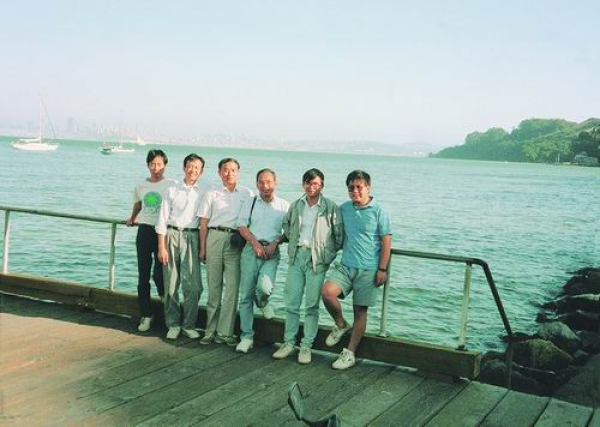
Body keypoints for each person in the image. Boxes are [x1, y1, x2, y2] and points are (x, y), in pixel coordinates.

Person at [321, 170, 392, 370]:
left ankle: (349, 353)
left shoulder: (379, 210)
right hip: (346, 266)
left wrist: (382, 269)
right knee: (327, 293)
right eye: (351, 187)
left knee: (360, 311)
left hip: (369, 269)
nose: (355, 191)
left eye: (359, 187)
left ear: (368, 187)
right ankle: (341, 324)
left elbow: (387, 241)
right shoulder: (344, 208)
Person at [272, 168, 343, 364]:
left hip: (317, 260)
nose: (312, 187)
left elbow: (338, 236)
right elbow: (286, 225)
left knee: (311, 305)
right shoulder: (296, 205)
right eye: (308, 183)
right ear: (303, 184)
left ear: (322, 186)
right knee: (292, 303)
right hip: (297, 257)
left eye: (316, 184)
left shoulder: (330, 207)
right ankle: (288, 343)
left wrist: (327, 256)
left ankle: (306, 346)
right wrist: (293, 243)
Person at [199, 158, 253, 345]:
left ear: (238, 172)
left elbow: (250, 221)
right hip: (214, 237)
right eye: (225, 170)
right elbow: (203, 223)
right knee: (213, 287)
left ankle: (225, 333)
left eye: (233, 170)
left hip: (236, 241)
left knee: (232, 288)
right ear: (219, 172)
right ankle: (210, 331)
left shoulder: (247, 193)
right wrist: (203, 248)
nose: (229, 173)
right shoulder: (211, 192)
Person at [235, 168, 290, 354]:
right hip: (251, 250)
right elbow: (241, 225)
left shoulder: (284, 206)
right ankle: (246, 337)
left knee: (265, 288)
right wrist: (255, 244)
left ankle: (263, 302)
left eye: (269, 182)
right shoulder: (250, 202)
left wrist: (276, 242)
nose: (265, 186)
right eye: (261, 182)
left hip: (271, 253)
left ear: (275, 183)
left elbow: (289, 231)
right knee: (245, 296)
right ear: (257, 184)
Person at [156, 154, 206, 340]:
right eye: (190, 166)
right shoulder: (172, 189)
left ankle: (189, 324)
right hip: (171, 235)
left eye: (197, 167)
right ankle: (173, 323)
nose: (193, 170)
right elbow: (162, 219)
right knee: (171, 283)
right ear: (184, 167)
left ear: (201, 171)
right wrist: (161, 247)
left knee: (194, 286)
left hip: (192, 236)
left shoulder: (206, 189)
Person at [126, 149, 175, 332]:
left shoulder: (171, 185)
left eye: (159, 164)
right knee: (143, 276)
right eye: (152, 164)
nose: (156, 168)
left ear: (165, 165)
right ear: (148, 165)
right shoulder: (141, 185)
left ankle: (165, 302)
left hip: (163, 232)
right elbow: (138, 204)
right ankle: (146, 314)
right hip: (145, 230)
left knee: (160, 274)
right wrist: (132, 218)